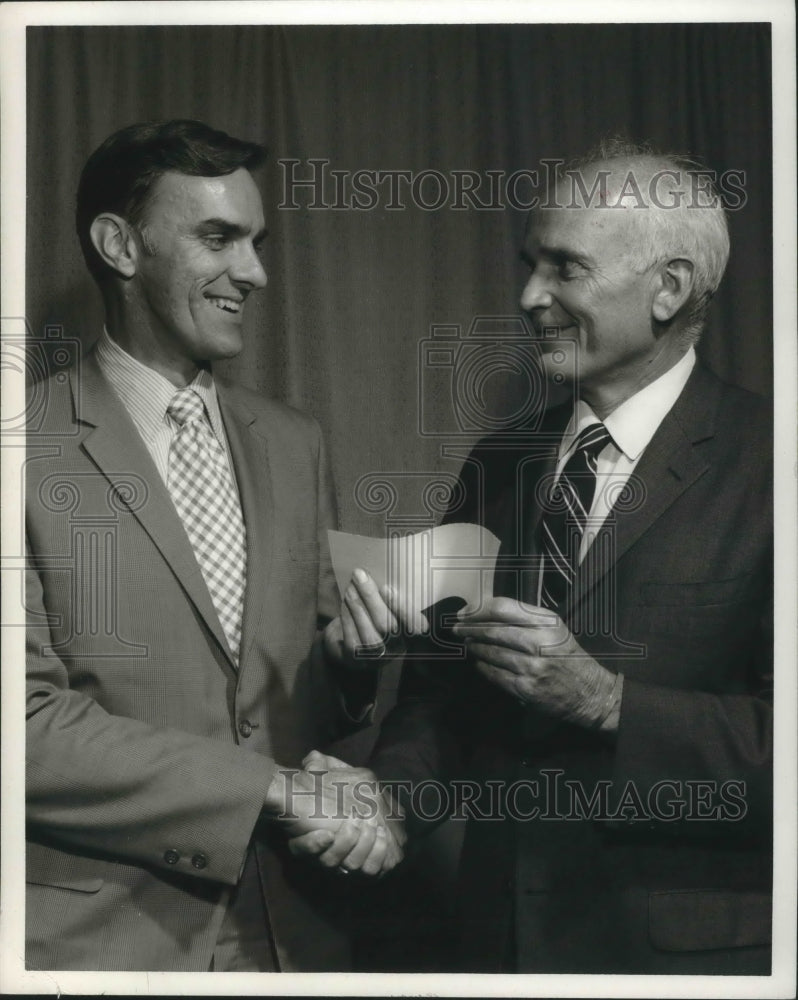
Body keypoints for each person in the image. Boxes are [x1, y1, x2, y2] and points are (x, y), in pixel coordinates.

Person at [314, 139, 773, 974]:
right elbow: (441, 701)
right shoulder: (500, 462)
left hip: (682, 965)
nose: (530, 297)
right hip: (494, 948)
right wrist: (390, 800)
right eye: (532, 265)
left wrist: (609, 703)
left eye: (566, 269)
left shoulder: (774, 461)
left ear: (668, 289)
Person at [24, 119, 413, 973]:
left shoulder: (292, 441)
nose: (255, 272)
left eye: (257, 241)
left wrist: (348, 668)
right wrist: (274, 790)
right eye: (218, 237)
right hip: (105, 946)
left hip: (296, 934)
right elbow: (23, 726)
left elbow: (287, 699)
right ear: (119, 245)